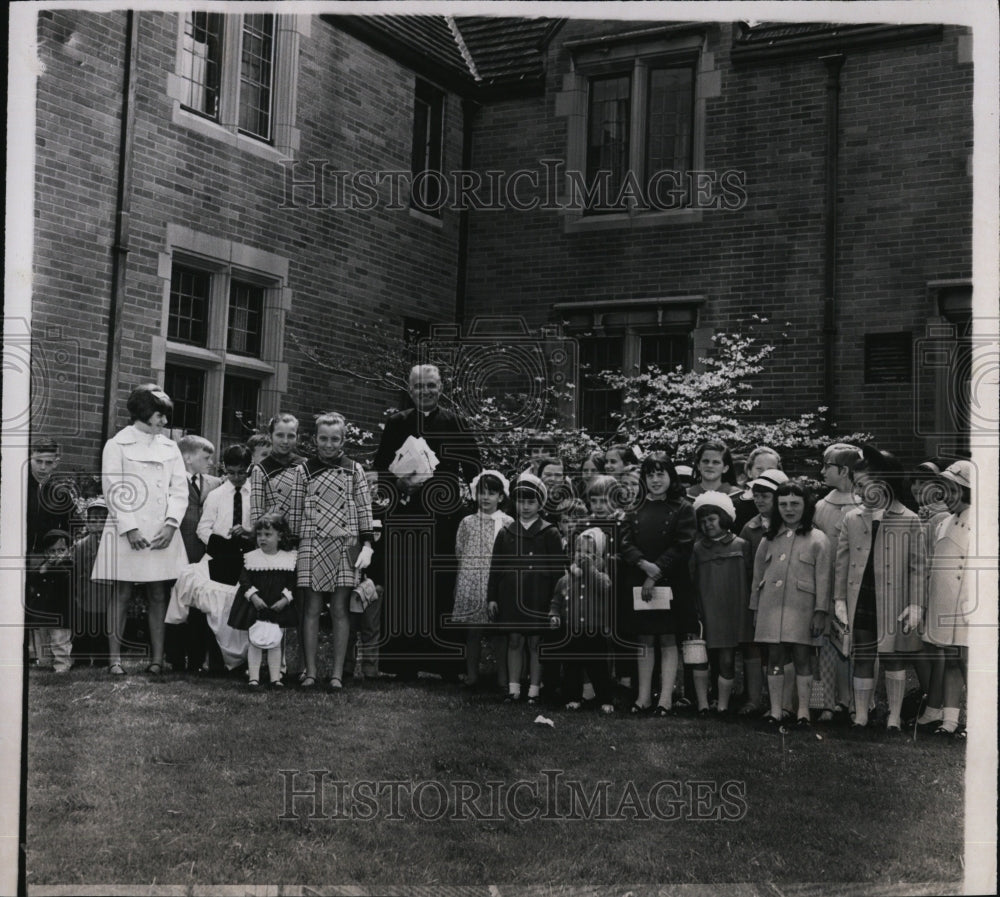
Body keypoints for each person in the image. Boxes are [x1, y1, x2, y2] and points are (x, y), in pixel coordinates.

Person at [373, 364, 481, 681]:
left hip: (444, 517)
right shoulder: (397, 422)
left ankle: (445, 664)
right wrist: (398, 484)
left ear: (441, 387)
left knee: (441, 587)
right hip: (406, 515)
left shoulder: (455, 421)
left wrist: (477, 509)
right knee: (405, 586)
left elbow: (474, 467)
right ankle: (401, 664)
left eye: (431, 386)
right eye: (419, 386)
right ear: (410, 389)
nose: (426, 391)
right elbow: (380, 469)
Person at [91, 384, 189, 676]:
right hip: (127, 530)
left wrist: (171, 525)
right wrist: (130, 528)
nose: (164, 422)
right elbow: (113, 488)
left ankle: (157, 660)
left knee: (158, 592)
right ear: (145, 413)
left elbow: (179, 490)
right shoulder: (117, 444)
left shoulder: (170, 448)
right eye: (160, 415)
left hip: (161, 531)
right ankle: (115, 660)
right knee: (121, 591)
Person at [834, 446, 927, 732]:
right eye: (857, 486)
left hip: (894, 599)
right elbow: (842, 561)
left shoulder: (909, 519)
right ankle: (861, 713)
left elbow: (918, 567)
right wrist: (839, 598)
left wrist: (915, 604)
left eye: (863, 485)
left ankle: (894, 717)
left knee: (892, 656)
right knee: (863, 654)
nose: (859, 492)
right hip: (861, 594)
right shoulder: (852, 518)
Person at [287, 412, 374, 692]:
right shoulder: (303, 471)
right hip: (312, 542)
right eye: (323, 438)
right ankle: (311, 671)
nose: (328, 444)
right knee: (311, 608)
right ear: (315, 439)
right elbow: (295, 512)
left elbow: (364, 510)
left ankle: (336, 674)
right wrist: (295, 542)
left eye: (334, 439)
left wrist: (367, 544)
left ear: (343, 440)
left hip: (346, 543)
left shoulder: (353, 469)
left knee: (339, 609)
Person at [618, 451, 698, 716]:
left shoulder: (683, 508)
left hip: (671, 580)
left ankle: (665, 697)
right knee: (644, 638)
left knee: (667, 637)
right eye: (650, 474)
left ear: (670, 476)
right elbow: (625, 543)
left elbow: (683, 545)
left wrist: (657, 572)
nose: (655, 480)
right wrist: (643, 566)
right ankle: (643, 697)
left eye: (660, 474)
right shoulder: (633, 508)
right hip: (638, 578)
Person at [750, 482, 830, 729]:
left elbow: (824, 579)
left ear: (806, 506)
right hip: (771, 608)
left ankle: (803, 710)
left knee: (802, 657)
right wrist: (755, 609)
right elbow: (757, 576)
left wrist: (820, 612)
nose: (789, 509)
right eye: (783, 504)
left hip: (802, 608)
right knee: (774, 657)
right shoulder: (769, 539)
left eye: (795, 503)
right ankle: (776, 710)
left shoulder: (818, 539)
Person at [488, 473, 564, 705]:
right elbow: (496, 567)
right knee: (514, 640)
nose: (526, 506)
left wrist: (556, 604)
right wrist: (492, 597)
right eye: (521, 501)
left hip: (538, 595)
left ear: (540, 503)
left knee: (535, 642)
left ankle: (534, 689)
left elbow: (559, 572)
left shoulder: (549, 532)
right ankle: (513, 689)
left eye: (531, 502)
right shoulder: (506, 532)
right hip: (511, 595)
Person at [689, 492, 754, 716]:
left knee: (727, 660)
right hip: (705, 610)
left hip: (732, 610)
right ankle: (703, 704)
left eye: (712, 519)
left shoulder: (742, 545)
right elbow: (691, 579)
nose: (707, 525)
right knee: (700, 658)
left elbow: (750, 577)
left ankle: (723, 705)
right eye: (703, 521)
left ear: (724, 518)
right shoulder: (697, 549)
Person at [922, 460, 973, 738]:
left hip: (968, 607)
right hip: (947, 605)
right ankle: (950, 721)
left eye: (952, 491)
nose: (945, 497)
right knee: (953, 660)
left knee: (969, 664)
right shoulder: (946, 521)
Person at [812, 442, 863, 723]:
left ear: (844, 470)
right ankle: (825, 703)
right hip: (826, 585)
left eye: (826, 466)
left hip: (855, 587)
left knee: (856, 644)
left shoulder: (864, 504)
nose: (821, 471)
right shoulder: (821, 505)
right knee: (825, 644)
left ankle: (856, 703)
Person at [451, 471, 513, 689]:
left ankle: (504, 677)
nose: (486, 498)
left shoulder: (507, 522)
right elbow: (460, 550)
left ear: (501, 497)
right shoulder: (467, 522)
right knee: (473, 631)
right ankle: (472, 675)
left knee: (499, 633)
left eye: (492, 493)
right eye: (482, 493)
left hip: (495, 582)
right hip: (471, 581)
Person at [167, 435, 223, 673]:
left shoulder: (214, 483)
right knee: (177, 606)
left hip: (204, 554)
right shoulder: (172, 480)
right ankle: (175, 659)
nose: (211, 461)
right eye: (206, 457)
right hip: (177, 551)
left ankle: (198, 659)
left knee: (201, 606)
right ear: (187, 458)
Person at [737, 468, 789, 715]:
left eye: (765, 496)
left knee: (785, 649)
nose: (759, 500)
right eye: (755, 495)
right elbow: (746, 567)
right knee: (754, 647)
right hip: (758, 596)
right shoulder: (750, 528)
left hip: (788, 597)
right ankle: (754, 699)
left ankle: (787, 702)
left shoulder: (792, 525)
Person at [227, 513, 298, 688]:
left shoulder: (288, 558)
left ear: (280, 536)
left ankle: (275, 678)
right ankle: (254, 677)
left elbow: (292, 582)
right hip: (256, 606)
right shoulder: (251, 557)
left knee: (275, 641)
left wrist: (285, 600)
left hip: (277, 606)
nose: (262, 539)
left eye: (268, 535)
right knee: (255, 641)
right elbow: (244, 580)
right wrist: (254, 596)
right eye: (259, 535)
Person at [548, 531, 616, 714]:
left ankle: (605, 699)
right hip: (572, 630)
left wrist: (591, 570)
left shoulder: (600, 576)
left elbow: (606, 587)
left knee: (599, 668)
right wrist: (554, 615)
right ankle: (572, 697)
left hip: (595, 630)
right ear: (572, 553)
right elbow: (556, 602)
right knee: (572, 667)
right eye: (579, 550)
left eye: (588, 552)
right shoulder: (565, 580)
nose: (582, 555)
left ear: (596, 556)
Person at [25, 440, 78, 665]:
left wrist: (57, 547)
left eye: (48, 462)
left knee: (45, 605)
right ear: (30, 457)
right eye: (38, 461)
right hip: (18, 555)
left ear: (56, 463)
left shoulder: (59, 493)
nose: (42, 467)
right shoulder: (14, 487)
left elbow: (70, 525)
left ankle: (45, 657)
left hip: (48, 559)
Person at [197, 444, 254, 586]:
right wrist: (220, 545)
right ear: (224, 468)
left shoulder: (256, 495)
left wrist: (250, 533)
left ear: (250, 467)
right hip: (221, 555)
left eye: (241, 472)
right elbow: (202, 528)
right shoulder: (216, 495)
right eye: (231, 472)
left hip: (250, 555)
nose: (235, 477)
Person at [71, 498, 114, 665]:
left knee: (103, 628)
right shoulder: (80, 545)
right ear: (87, 523)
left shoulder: (113, 545)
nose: (98, 524)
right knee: (83, 629)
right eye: (94, 520)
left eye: (103, 520)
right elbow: (75, 569)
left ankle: (101, 659)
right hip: (86, 594)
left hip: (106, 595)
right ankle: (80, 659)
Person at [27, 529, 75, 673]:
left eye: (61, 550)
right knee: (42, 640)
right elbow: (33, 579)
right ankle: (44, 663)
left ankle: (62, 664)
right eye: (52, 551)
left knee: (60, 640)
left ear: (69, 550)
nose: (57, 554)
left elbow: (68, 581)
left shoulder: (69, 566)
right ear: (46, 553)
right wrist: (44, 569)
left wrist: (58, 566)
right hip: (42, 613)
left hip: (61, 613)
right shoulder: (43, 566)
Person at [733, 446, 783, 532]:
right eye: (759, 469)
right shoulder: (732, 504)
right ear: (749, 472)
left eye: (770, 469)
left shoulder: (785, 502)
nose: (765, 474)